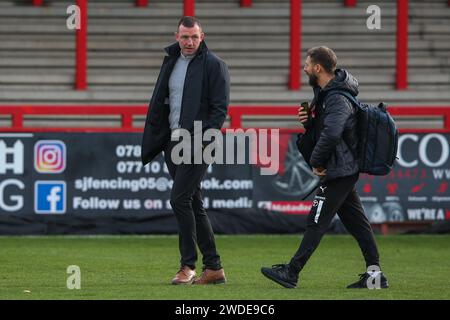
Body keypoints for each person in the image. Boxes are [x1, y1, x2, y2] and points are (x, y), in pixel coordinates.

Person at [261, 46, 389, 289]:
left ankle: (292, 272)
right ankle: (375, 277)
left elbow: (331, 134)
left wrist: (317, 162)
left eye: (307, 64)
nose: (305, 68)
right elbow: (326, 130)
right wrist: (310, 123)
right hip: (342, 169)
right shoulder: (328, 94)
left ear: (318, 68)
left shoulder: (337, 98)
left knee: (316, 221)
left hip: (339, 170)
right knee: (358, 225)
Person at [141, 16, 230, 285]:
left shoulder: (215, 65)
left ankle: (187, 266)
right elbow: (162, 101)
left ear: (202, 36)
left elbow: (219, 110)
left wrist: (203, 140)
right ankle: (214, 268)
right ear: (176, 36)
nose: (189, 42)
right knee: (192, 202)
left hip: (198, 143)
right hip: (173, 142)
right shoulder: (170, 60)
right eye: (184, 37)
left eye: (194, 37)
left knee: (179, 199)